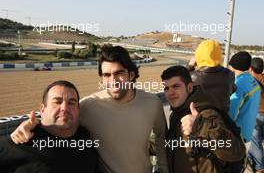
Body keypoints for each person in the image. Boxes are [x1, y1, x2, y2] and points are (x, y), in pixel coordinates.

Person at [10, 45, 168, 173]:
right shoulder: (87, 106)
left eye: (119, 73)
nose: (113, 81)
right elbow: (58, 120)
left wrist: (163, 170)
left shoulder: (152, 103)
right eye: (106, 75)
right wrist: (29, 125)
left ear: (131, 75)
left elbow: (161, 138)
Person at [0, 80, 98, 173]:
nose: (65, 108)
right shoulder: (21, 141)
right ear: (42, 109)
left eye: (71, 103)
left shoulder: (86, 136)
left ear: (78, 110)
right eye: (57, 102)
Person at [161, 65, 245, 173]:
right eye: (166, 88)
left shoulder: (206, 114)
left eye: (176, 86)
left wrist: (200, 125)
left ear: (190, 87)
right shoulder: (176, 114)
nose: (170, 93)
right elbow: (173, 145)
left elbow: (237, 151)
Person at [187, 39, 235, 112]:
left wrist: (189, 66)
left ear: (199, 55)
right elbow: (232, 90)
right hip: (222, 118)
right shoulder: (229, 74)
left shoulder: (192, 77)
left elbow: (180, 82)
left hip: (199, 119)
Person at [229, 51, 261, 142]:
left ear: (235, 66)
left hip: (238, 133)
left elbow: (232, 111)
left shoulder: (239, 84)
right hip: (248, 131)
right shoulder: (253, 82)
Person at [248, 57, 264, 173]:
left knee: (255, 141)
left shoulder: (250, 82)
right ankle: (252, 160)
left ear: (250, 69)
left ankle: (259, 167)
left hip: (258, 115)